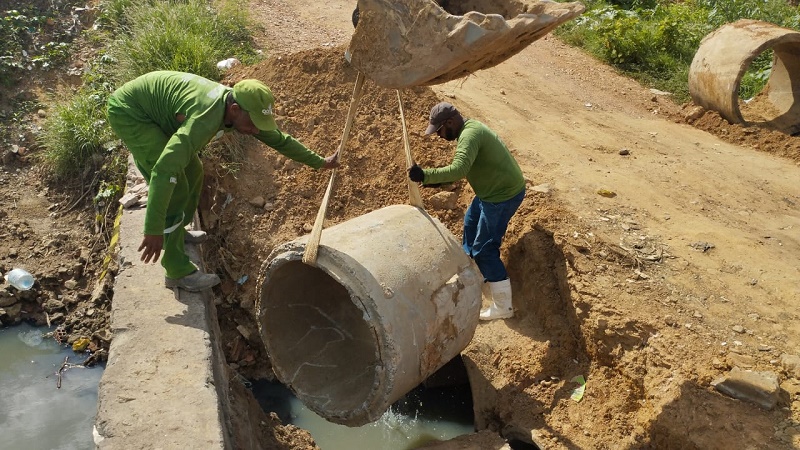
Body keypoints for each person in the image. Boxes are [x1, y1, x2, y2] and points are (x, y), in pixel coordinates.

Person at [107, 71, 339, 292]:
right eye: (253, 123)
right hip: (131, 113)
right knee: (175, 185)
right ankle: (177, 271)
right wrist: (153, 229)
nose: (255, 129)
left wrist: (319, 162)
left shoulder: (241, 110)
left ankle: (176, 232)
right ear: (235, 109)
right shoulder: (204, 119)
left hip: (156, 112)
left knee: (194, 171)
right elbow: (164, 171)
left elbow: (279, 139)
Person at [408, 102, 525, 320]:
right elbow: (461, 169)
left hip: (502, 196)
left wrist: (425, 175)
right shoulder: (468, 130)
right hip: (488, 193)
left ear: (450, 122)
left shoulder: (470, 135)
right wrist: (430, 181)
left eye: (440, 131)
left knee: (485, 249)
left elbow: (459, 169)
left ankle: (503, 306)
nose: (440, 136)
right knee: (470, 228)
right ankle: (480, 278)